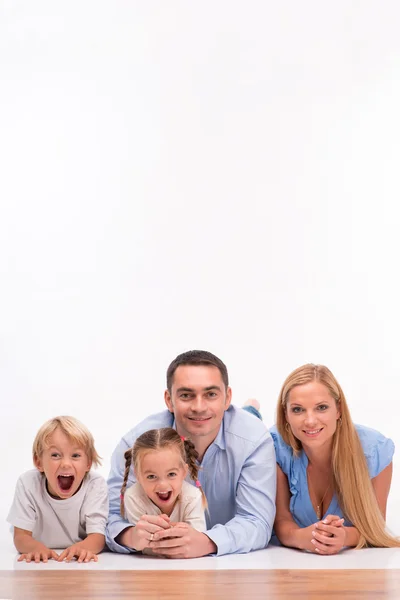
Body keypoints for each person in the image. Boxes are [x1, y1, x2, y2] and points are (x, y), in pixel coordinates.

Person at [106, 350, 276, 558]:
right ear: (169, 400)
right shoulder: (137, 444)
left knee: (248, 417)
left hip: (239, 429)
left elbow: (257, 521)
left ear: (227, 398)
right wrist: (131, 536)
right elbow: (109, 517)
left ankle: (250, 409)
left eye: (211, 394)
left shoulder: (255, 439)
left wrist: (207, 542)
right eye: (186, 395)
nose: (198, 407)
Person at [270, 364, 400, 554]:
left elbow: (376, 527)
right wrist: (303, 538)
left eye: (321, 407)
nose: (310, 421)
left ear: (338, 409)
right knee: (248, 423)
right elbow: (282, 522)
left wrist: (344, 536)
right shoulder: (275, 447)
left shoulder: (374, 451)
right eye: (298, 410)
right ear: (286, 415)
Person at [7, 416, 109, 563]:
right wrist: (35, 548)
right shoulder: (28, 483)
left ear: (88, 463)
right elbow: (20, 537)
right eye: (55, 455)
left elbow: (97, 538)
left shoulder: (95, 485)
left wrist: (84, 547)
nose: (66, 464)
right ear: (38, 462)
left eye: (75, 455)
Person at [120, 427, 207, 554]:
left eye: (171, 474)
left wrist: (159, 536)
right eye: (151, 476)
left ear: (183, 472)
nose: (162, 485)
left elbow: (196, 541)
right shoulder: (133, 497)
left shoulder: (193, 497)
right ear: (138, 476)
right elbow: (144, 547)